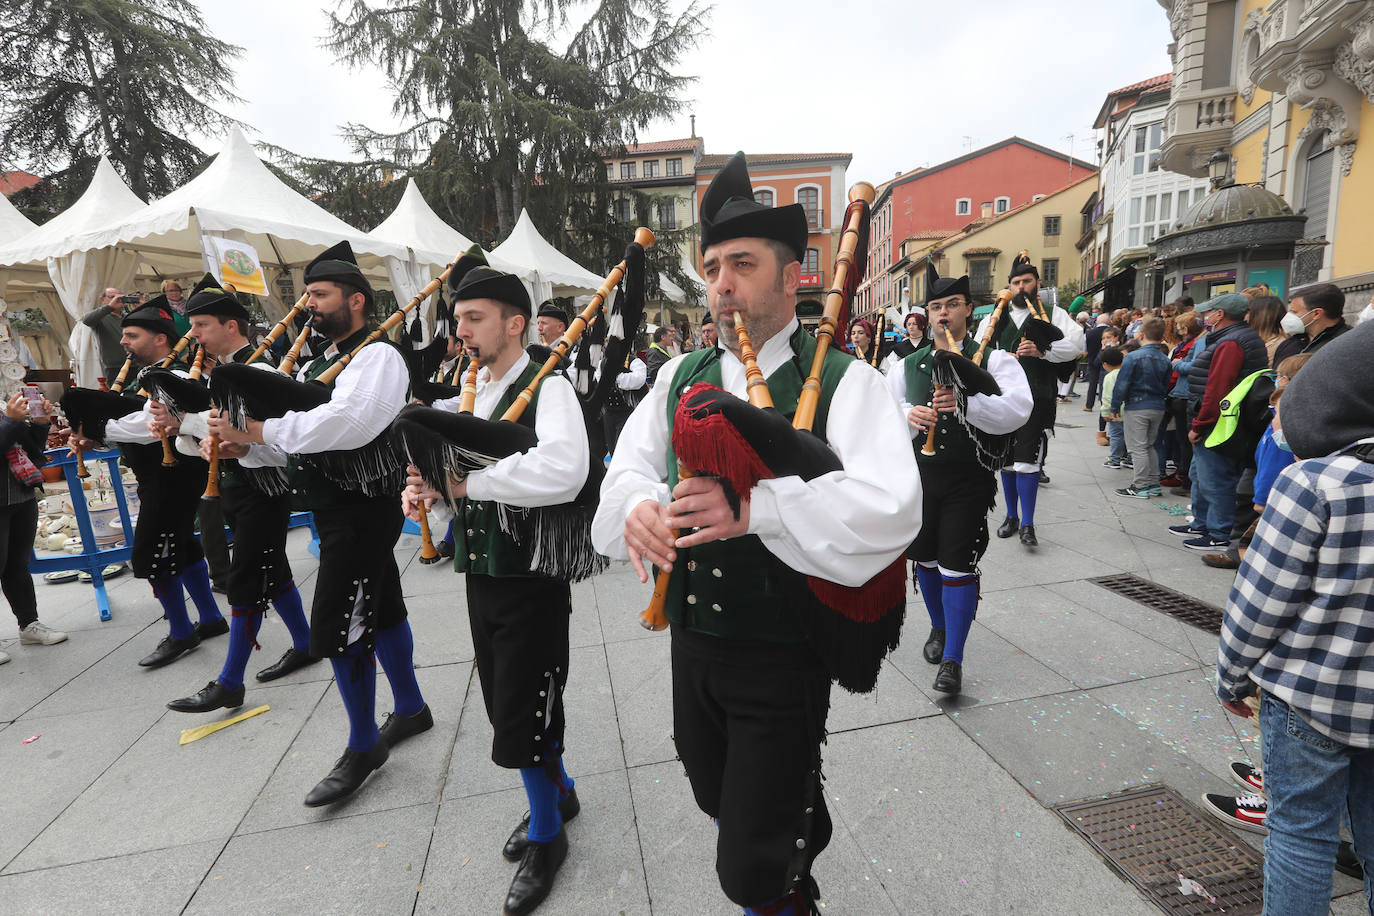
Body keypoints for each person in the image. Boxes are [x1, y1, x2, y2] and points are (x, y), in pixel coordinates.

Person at [592, 152, 921, 914]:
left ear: (793, 276)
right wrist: (639, 507)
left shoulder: (846, 379)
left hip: (782, 651)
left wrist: (758, 512)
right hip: (692, 643)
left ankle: (784, 881)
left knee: (752, 863)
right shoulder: (682, 376)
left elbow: (892, 508)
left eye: (741, 264)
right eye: (711, 267)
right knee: (724, 798)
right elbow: (625, 470)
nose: (721, 284)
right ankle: (790, 845)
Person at [210, 241, 431, 807]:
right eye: (306, 293)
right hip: (334, 507)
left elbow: (349, 424)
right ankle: (409, 709)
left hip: (363, 507)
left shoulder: (378, 356)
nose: (307, 303)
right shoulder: (314, 361)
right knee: (382, 606)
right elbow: (296, 440)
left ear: (356, 300)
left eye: (319, 294)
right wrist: (242, 447)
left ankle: (364, 745)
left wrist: (259, 432)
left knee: (336, 624)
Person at [401, 266, 588, 916]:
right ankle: (559, 790)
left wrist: (465, 485)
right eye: (458, 320)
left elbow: (564, 471)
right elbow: (448, 460)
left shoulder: (550, 386)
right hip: (482, 571)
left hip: (531, 575)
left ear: (514, 323)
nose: (461, 331)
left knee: (520, 707)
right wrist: (424, 486)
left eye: (474, 318)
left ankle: (547, 832)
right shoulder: (470, 389)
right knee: (512, 697)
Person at [1215, 320, 1374, 914]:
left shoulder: (1317, 482)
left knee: (1301, 837)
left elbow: (1260, 601)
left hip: (1313, 695)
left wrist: (1231, 674)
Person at [153, 275, 317, 714]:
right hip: (235, 489)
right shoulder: (215, 375)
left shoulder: (259, 373)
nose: (195, 335)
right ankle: (305, 643)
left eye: (202, 325)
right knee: (273, 570)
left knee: (245, 578)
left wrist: (238, 444)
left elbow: (284, 446)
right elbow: (211, 437)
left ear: (231, 327)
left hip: (263, 490)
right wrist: (182, 428)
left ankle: (230, 681)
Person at [887, 270, 1031, 694]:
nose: (943, 313)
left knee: (957, 564)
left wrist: (967, 404)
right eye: (935, 307)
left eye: (952, 305)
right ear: (926, 315)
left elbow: (1017, 410)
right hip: (921, 478)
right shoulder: (905, 365)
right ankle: (938, 626)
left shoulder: (994, 358)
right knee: (926, 559)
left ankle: (953, 659)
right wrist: (908, 417)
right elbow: (883, 410)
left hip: (969, 479)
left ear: (969, 309)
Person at [65, 300, 226, 667]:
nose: (123, 342)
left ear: (160, 339)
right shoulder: (148, 376)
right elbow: (132, 423)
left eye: (131, 336)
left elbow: (148, 429)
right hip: (159, 476)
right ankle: (212, 619)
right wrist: (95, 436)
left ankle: (182, 633)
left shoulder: (180, 376)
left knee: (154, 555)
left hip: (171, 477)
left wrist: (95, 429)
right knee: (182, 547)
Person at [990, 254, 1085, 547]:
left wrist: (1043, 351)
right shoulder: (998, 314)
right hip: (1004, 399)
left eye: (1026, 281)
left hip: (1036, 398)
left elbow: (1076, 345)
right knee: (1006, 463)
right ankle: (1011, 516)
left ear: (1037, 284)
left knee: (1027, 463)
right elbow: (978, 350)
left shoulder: (1053, 313)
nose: (1021, 287)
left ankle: (1028, 523)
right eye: (1016, 282)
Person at [1169, 293, 1268, 551]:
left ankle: (1219, 532)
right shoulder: (1235, 338)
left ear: (1220, 314)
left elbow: (1218, 388)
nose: (1206, 316)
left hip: (1218, 422)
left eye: (1210, 311)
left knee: (1215, 479)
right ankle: (1202, 523)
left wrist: (1200, 424)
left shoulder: (1231, 342)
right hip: (1220, 418)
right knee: (1200, 474)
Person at [0, 388, 66, 665]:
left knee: (17, 565)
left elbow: (30, 448)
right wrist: (12, 421)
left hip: (20, 493)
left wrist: (39, 423)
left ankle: (29, 624)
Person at [1109, 316, 1171, 498]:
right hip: (1158, 405)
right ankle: (1153, 483)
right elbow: (1167, 384)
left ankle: (1140, 486)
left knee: (1137, 447)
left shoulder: (1132, 357)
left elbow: (1122, 384)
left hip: (1137, 406)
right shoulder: (1165, 359)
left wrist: (1114, 405)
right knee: (1150, 445)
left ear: (1141, 335)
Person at [1162, 311, 1205, 492]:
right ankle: (1182, 473)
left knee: (1185, 440)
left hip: (1186, 394)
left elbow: (1194, 366)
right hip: (1181, 393)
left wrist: (1177, 364)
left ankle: (1185, 478)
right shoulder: (1191, 342)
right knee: (1181, 439)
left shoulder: (1197, 342)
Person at [1273, 282, 1352, 366]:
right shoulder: (1291, 343)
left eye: (1294, 312)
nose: (1289, 316)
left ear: (1316, 313)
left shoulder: (1346, 344)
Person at [80, 288, 135, 384]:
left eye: (120, 297)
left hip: (136, 365)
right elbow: (86, 320)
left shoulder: (129, 316)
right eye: (112, 297)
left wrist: (141, 307)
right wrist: (110, 306)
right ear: (102, 300)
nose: (117, 300)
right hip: (115, 367)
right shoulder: (102, 317)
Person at [1099, 348, 1128, 469]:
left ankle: (1115, 459)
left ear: (1105, 364)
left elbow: (1106, 397)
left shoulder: (1109, 377)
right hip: (1130, 412)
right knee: (1130, 437)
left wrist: (1105, 412)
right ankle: (1130, 459)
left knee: (1116, 435)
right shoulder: (1127, 373)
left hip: (1115, 413)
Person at [1245, 294, 1287, 365]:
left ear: (1259, 317)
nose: (1245, 317)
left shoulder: (1276, 345)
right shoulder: (1265, 342)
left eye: (1248, 313)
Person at [1082, 313, 1112, 412]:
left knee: (1092, 384)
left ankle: (1089, 405)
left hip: (1093, 361)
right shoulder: (1112, 333)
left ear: (1097, 321)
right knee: (1106, 384)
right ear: (1108, 321)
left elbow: (1085, 349)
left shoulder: (1089, 333)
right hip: (1109, 362)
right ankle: (1105, 405)